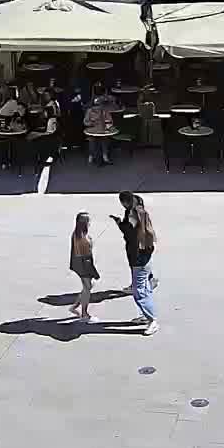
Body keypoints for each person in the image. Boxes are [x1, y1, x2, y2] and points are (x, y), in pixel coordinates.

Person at [115, 191, 159, 334]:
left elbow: (128, 233)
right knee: (145, 287)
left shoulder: (133, 221)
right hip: (144, 256)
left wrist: (120, 224)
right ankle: (146, 316)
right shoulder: (144, 221)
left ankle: (152, 320)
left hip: (138, 259)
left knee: (139, 291)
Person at [69, 212, 99, 322]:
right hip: (84, 265)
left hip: (79, 264)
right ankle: (84, 314)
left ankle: (74, 307)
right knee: (87, 288)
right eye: (89, 221)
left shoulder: (77, 234)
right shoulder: (83, 238)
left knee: (88, 286)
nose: (90, 223)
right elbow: (86, 257)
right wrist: (93, 272)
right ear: (85, 223)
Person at [84, 96, 115, 166]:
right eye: (96, 105)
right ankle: (91, 155)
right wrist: (92, 123)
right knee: (92, 140)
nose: (97, 107)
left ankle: (105, 156)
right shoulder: (89, 111)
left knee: (105, 140)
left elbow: (110, 120)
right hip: (92, 130)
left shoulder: (104, 111)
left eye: (99, 105)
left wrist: (108, 125)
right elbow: (85, 122)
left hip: (103, 130)